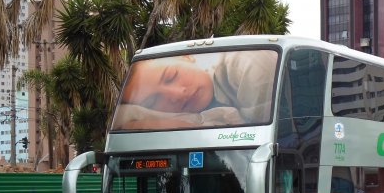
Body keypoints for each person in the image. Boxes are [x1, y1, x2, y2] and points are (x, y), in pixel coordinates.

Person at [111, 50, 278, 130]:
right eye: (153, 101)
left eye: (171, 76)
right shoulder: (202, 110)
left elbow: (259, 146)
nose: (177, 94)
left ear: (187, 57)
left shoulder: (247, 65)